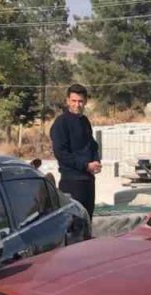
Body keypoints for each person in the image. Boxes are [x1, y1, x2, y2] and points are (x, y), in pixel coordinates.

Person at [50, 84, 101, 216]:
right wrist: (85, 165)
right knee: (74, 226)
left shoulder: (84, 121)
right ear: (67, 101)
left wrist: (96, 161)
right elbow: (61, 153)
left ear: (85, 102)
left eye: (80, 101)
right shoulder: (61, 123)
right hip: (72, 182)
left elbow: (92, 145)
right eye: (74, 101)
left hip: (88, 181)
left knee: (87, 222)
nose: (77, 105)